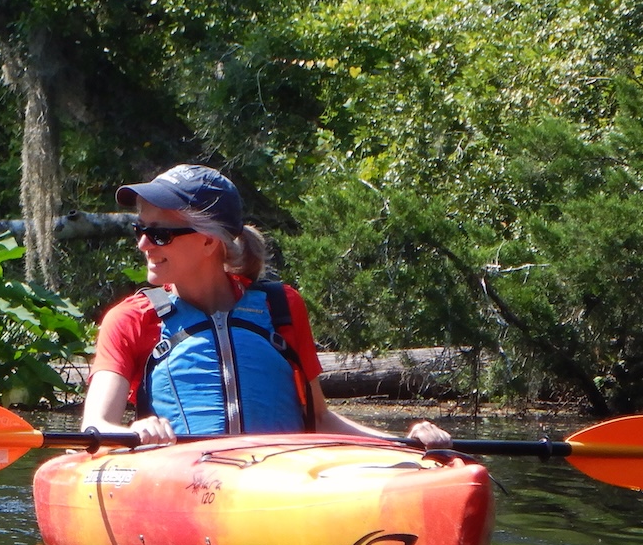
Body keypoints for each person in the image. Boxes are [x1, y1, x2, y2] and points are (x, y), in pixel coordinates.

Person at [80, 164, 450, 448]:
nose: (144, 245)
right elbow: (95, 427)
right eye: (140, 230)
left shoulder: (281, 306)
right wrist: (134, 430)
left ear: (210, 242)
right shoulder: (130, 319)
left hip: (278, 480)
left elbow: (319, 419)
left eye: (159, 233)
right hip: (181, 482)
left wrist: (406, 447)